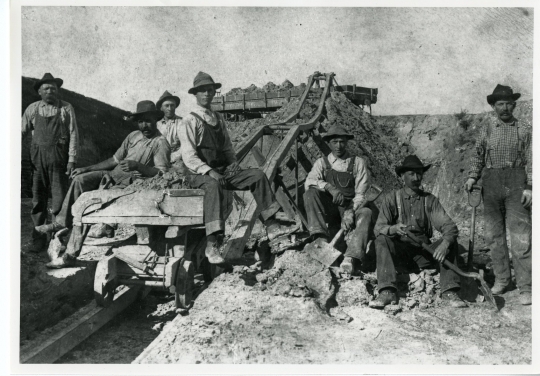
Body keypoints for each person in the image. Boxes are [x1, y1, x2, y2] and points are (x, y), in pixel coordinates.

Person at [36, 100, 171, 268]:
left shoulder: (160, 142)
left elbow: (162, 173)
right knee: (80, 180)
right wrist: (87, 168)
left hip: (130, 186)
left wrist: (139, 167)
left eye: (148, 120)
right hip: (112, 176)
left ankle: (70, 255)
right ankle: (61, 222)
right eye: (141, 121)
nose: (144, 125)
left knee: (88, 203)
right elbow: (114, 159)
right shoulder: (133, 136)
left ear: (155, 120)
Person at [180, 71, 293, 264]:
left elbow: (227, 148)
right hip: (197, 173)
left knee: (257, 175)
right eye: (202, 91)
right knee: (213, 186)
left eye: (210, 90)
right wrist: (210, 172)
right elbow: (189, 156)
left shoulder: (218, 118)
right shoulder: (189, 120)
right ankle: (212, 243)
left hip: (221, 170)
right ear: (195, 95)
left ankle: (272, 225)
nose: (206, 94)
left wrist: (232, 166)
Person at [464, 84, 532, 306]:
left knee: (521, 237)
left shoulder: (524, 128)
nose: (504, 108)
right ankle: (503, 280)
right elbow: (477, 155)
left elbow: (533, 158)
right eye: (499, 104)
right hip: (491, 182)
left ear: (514, 105)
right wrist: (473, 176)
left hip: (516, 182)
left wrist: (530, 186)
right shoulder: (487, 129)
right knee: (494, 236)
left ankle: (526, 287)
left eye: (508, 103)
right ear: (493, 106)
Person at [370, 155, 466, 309]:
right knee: (381, 240)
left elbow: (449, 226)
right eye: (411, 174)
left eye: (419, 173)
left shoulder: (430, 200)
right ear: (402, 176)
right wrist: (392, 229)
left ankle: (449, 291)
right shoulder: (391, 199)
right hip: (400, 255)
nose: (416, 178)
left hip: (424, 253)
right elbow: (378, 228)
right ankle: (387, 291)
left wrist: (445, 243)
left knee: (450, 242)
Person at [303, 125, 378, 274]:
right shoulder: (322, 163)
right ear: (329, 143)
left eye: (342, 142)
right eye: (335, 142)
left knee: (367, 213)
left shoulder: (358, 163)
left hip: (351, 207)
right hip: (330, 210)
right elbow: (309, 182)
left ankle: (351, 257)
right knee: (310, 193)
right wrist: (329, 187)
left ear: (347, 142)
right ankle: (320, 239)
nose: (338, 146)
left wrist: (350, 212)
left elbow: (361, 194)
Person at [22, 73, 79, 253]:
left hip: (59, 161)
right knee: (38, 200)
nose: (50, 91)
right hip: (37, 161)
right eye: (46, 88)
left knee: (59, 202)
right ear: (39, 91)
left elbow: (74, 135)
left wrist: (71, 160)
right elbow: (20, 131)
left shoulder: (66, 108)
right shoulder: (32, 109)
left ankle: (57, 239)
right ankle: (38, 239)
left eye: (53, 88)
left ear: (57, 91)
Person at [156, 90, 183, 163]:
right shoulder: (156, 124)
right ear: (161, 108)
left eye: (172, 105)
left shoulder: (183, 122)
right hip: (158, 159)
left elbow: (185, 146)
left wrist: (171, 158)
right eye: (166, 105)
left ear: (175, 106)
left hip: (177, 159)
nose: (170, 108)